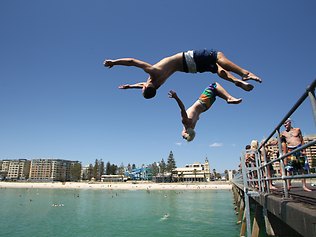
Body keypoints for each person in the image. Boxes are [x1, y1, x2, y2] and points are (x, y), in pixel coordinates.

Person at [104, 49, 261, 99]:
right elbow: (132, 61)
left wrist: (130, 86)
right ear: (147, 86)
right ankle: (243, 73)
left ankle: (234, 81)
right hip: (186, 58)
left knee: (216, 68)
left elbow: (141, 86)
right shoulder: (153, 71)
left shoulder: (157, 84)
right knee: (218, 56)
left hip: (189, 69)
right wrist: (114, 62)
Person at [168, 82, 241, 141]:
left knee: (217, 92)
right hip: (203, 101)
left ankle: (227, 98)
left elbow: (184, 134)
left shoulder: (191, 126)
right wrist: (176, 97)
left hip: (206, 107)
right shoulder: (185, 121)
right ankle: (229, 98)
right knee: (214, 85)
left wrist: (186, 136)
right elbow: (182, 108)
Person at [281, 118, 311, 192]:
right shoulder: (283, 133)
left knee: (302, 168)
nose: (285, 125)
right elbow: (284, 145)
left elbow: (302, 140)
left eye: (286, 123)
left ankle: (304, 186)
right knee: (289, 169)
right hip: (291, 150)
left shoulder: (297, 130)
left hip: (299, 149)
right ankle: (288, 186)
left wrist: (304, 150)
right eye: (283, 124)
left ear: (290, 122)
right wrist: (285, 156)